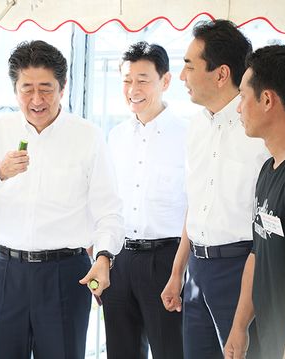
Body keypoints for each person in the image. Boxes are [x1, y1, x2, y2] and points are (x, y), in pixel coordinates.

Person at [0, 40, 124, 359]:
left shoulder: (87, 135)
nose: (36, 99)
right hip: (7, 271)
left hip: (65, 273)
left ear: (63, 87)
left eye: (46, 88)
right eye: (27, 89)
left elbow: (109, 209)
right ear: (15, 89)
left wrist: (103, 257)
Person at [160, 19, 269, 358]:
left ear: (221, 74)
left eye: (189, 67)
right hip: (198, 269)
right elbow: (197, 204)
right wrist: (177, 272)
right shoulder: (195, 127)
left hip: (242, 269)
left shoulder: (260, 129)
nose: (181, 77)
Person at [102, 41, 186, 359]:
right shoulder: (115, 136)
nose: (132, 89)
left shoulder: (187, 135)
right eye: (126, 80)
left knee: (171, 351)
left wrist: (179, 272)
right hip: (119, 260)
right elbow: (106, 204)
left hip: (166, 261)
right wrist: (103, 260)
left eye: (142, 79)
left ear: (165, 81)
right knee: (120, 352)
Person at [224, 45, 285, 359]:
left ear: (267, 100)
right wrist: (240, 326)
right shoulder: (268, 168)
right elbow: (258, 250)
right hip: (266, 337)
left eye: (241, 96)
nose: (238, 108)